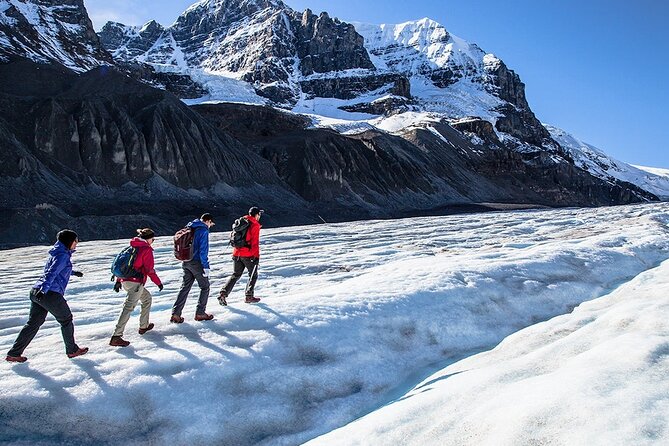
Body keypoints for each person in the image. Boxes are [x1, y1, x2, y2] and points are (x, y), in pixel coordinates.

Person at [6, 230, 88, 362]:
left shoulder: (57, 253)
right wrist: (44, 290)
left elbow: (54, 270)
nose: (76, 243)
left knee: (33, 324)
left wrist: (72, 272)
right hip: (49, 293)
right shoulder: (63, 255)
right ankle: (72, 350)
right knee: (66, 320)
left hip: (36, 291)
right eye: (75, 241)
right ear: (69, 241)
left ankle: (14, 353)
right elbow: (51, 273)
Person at [109, 228, 163, 347]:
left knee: (147, 298)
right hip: (136, 283)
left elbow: (125, 265)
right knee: (128, 307)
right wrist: (158, 283)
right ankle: (116, 336)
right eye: (152, 239)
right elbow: (149, 270)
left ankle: (144, 326)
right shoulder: (146, 249)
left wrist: (118, 281)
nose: (153, 241)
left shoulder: (132, 247)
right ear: (148, 238)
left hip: (125, 281)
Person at [171, 213, 215, 323]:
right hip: (197, 262)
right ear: (208, 221)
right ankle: (200, 313)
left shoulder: (190, 227)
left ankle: (176, 314)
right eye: (211, 223)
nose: (210, 226)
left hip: (186, 261)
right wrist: (206, 266)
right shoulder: (203, 230)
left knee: (185, 287)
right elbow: (203, 250)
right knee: (205, 287)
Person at [218, 207, 263, 306]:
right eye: (259, 214)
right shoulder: (254, 225)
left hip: (237, 253)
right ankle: (249, 296)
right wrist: (256, 257)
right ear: (256, 215)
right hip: (248, 254)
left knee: (236, 274)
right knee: (253, 275)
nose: (259, 216)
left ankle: (223, 293)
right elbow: (254, 243)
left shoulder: (241, 222)